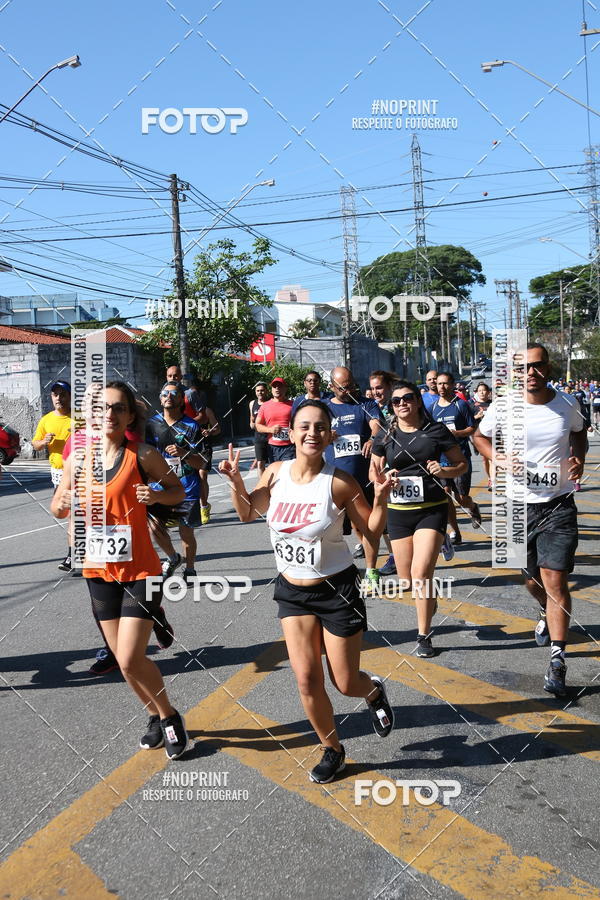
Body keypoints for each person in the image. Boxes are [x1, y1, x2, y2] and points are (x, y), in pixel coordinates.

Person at [218, 399, 394, 784]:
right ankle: (332, 749)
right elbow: (248, 512)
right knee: (306, 679)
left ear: (330, 435)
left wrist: (380, 499)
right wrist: (236, 483)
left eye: (320, 427)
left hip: (337, 591)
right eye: (304, 426)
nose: (312, 433)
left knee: (345, 682)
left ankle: (374, 692)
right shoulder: (275, 474)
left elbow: (373, 529)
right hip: (291, 592)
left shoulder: (339, 483)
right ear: (291, 433)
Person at [50, 381, 189, 757]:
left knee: (130, 657)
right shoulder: (78, 459)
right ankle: (153, 715)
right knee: (124, 665)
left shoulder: (142, 455)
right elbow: (58, 507)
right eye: (101, 408)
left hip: (141, 570)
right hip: (98, 571)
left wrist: (157, 495)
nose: (108, 414)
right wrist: (66, 501)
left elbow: (177, 492)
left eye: (117, 408)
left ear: (129, 415)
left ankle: (170, 716)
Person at [474, 343, 586, 696]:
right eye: (524, 369)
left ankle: (557, 660)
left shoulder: (567, 404)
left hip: (557, 505)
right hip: (516, 506)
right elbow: (479, 436)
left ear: (548, 367)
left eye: (537, 366)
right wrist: (500, 459)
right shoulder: (504, 405)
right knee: (530, 579)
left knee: (556, 582)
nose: (531, 373)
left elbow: (580, 434)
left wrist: (578, 457)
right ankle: (542, 609)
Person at [370, 381, 467, 657]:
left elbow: (462, 464)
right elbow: (372, 474)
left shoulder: (435, 431)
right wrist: (382, 479)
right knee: (407, 581)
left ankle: (424, 635)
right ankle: (429, 601)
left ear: (417, 401)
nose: (401, 404)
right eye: (396, 401)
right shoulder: (386, 434)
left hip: (431, 508)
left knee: (421, 574)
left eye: (407, 398)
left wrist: (444, 471)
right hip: (399, 513)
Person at [323, 367, 383, 585]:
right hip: (333, 481)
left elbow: (376, 426)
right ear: (331, 386)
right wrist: (325, 435)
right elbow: (311, 433)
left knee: (365, 526)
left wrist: (372, 439)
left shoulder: (364, 404)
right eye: (341, 387)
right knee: (330, 529)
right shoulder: (324, 408)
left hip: (361, 479)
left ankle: (371, 571)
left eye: (349, 385)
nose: (346, 390)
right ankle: (335, 571)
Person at [145, 382, 207, 584]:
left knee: (185, 531)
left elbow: (203, 461)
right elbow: (144, 456)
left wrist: (184, 453)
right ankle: (173, 557)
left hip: (187, 486)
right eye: (165, 393)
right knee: (154, 527)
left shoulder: (192, 426)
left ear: (182, 399)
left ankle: (190, 569)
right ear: (160, 398)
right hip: (160, 486)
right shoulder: (151, 424)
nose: (168, 396)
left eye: (174, 393)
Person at [429, 372, 481, 544]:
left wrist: (456, 434)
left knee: (460, 498)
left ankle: (473, 507)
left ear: (452, 385)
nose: (442, 387)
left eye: (445, 384)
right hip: (441, 459)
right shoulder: (433, 408)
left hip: (460, 459)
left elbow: (472, 428)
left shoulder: (461, 405)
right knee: (446, 496)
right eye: (439, 384)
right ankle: (456, 532)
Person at [165, 364, 219, 522]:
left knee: (202, 474)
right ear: (166, 377)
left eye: (176, 376)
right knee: (177, 475)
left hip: (197, 439)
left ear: (181, 377)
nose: (173, 379)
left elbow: (202, 416)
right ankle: (177, 511)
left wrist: (184, 426)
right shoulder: (165, 395)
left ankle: (203, 506)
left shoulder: (190, 394)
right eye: (170, 376)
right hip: (178, 442)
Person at [32, 380, 73, 570]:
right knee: (66, 513)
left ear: (69, 396)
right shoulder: (46, 420)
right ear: (51, 397)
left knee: (74, 514)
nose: (59, 398)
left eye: (62, 394)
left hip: (79, 472)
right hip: (57, 474)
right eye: (55, 394)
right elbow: (35, 444)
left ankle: (72, 555)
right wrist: (44, 442)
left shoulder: (78, 418)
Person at [254, 377, 294, 462]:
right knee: (276, 472)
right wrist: (270, 430)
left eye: (280, 386)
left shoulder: (293, 405)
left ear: (285, 389)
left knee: (286, 472)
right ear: (271, 389)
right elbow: (257, 425)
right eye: (274, 386)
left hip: (290, 446)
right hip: (272, 447)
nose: (277, 388)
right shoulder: (265, 406)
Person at [469, 383, 493, 489]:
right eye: (480, 391)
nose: (482, 392)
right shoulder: (472, 405)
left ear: (488, 392)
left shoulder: (494, 404)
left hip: (493, 435)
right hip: (480, 436)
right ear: (477, 393)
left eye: (484, 390)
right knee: (485, 459)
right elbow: (468, 421)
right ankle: (489, 477)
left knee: (492, 458)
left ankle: (493, 480)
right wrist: (476, 416)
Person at [249, 382, 269, 475]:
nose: (260, 393)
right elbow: (252, 423)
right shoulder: (252, 403)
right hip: (259, 438)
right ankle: (262, 487)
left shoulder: (271, 403)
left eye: (262, 390)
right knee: (260, 464)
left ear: (267, 391)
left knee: (274, 464)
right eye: (257, 391)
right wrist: (253, 422)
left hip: (270, 437)